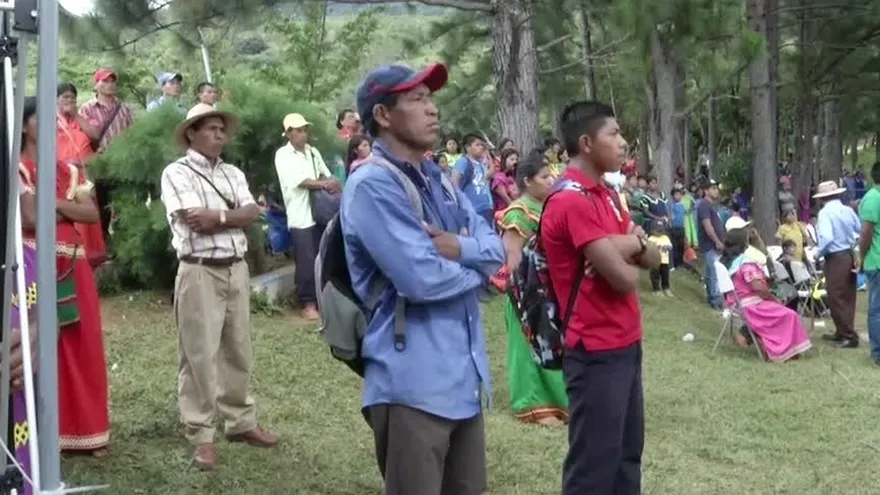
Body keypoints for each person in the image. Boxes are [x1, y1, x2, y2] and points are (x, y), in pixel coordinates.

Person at [342, 62, 504, 495]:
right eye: (417, 99)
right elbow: (422, 279)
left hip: (463, 379)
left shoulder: (439, 180)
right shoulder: (373, 186)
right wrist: (484, 269)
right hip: (412, 383)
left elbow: (494, 247)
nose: (432, 110)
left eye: (431, 99)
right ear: (383, 115)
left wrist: (461, 248)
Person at [541, 101, 661, 495]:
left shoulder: (607, 194)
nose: (624, 143)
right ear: (587, 143)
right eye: (615, 134)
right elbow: (626, 278)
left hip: (626, 341)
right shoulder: (570, 200)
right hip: (594, 349)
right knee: (594, 467)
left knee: (627, 459)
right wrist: (633, 245)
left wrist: (620, 244)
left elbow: (655, 257)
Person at [160, 104, 278, 470]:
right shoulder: (176, 173)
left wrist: (221, 217)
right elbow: (194, 221)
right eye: (210, 128)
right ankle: (201, 434)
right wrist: (234, 217)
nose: (219, 135)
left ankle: (240, 421)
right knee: (198, 353)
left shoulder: (232, 173)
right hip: (199, 270)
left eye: (222, 130)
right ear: (191, 134)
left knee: (238, 347)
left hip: (235, 269)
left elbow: (250, 215)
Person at [18, 97, 110, 457]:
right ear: (25, 125)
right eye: (43, 118)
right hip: (32, 265)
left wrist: (52, 204)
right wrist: (64, 209)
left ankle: (88, 432)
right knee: (42, 345)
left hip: (73, 264)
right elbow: (27, 217)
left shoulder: (70, 171)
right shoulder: (17, 168)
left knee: (82, 344)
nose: (54, 124)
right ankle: (47, 433)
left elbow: (90, 214)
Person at [497, 154, 566, 426]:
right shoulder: (519, 212)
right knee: (528, 347)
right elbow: (513, 257)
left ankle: (560, 402)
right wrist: (523, 294)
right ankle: (533, 404)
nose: (551, 180)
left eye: (552, 175)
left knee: (554, 344)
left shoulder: (551, 206)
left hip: (553, 289)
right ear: (527, 181)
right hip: (527, 291)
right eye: (544, 177)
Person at [273, 112, 341, 320]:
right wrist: (324, 183)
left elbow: (324, 172)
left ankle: (323, 299)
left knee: (323, 255)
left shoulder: (313, 152)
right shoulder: (283, 155)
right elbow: (300, 181)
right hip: (300, 215)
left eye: (304, 130)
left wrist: (331, 181)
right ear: (289, 134)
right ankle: (307, 302)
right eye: (298, 131)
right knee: (306, 259)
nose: (303, 134)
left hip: (319, 212)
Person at [721, 229, 813, 361]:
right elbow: (758, 287)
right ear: (745, 244)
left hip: (737, 303)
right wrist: (774, 299)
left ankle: (765, 342)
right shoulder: (745, 263)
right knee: (790, 314)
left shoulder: (727, 261)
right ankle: (783, 350)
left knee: (782, 310)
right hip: (751, 306)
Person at [78, 68, 135, 241]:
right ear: (96, 85)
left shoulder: (124, 109)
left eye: (112, 81)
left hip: (121, 164)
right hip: (100, 164)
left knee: (123, 204)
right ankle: (104, 243)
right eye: (105, 81)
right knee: (102, 205)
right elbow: (81, 137)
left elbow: (132, 133)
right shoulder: (86, 109)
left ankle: (122, 243)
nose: (109, 85)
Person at [56, 82, 107, 267]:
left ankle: (92, 258)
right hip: (65, 176)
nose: (69, 101)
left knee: (90, 215)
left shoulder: (81, 119)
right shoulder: (50, 121)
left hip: (85, 175)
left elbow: (95, 136)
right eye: (65, 97)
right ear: (56, 100)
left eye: (72, 97)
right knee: (74, 216)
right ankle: (74, 258)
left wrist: (76, 115)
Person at [814, 180, 861, 348]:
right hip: (848, 255)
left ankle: (848, 335)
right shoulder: (848, 210)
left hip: (835, 257)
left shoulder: (825, 213)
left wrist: (817, 253)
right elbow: (858, 230)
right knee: (848, 295)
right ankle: (842, 331)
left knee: (836, 297)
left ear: (822, 198)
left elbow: (827, 238)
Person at [858, 161, 880, 364]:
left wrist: (861, 256)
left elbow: (866, 232)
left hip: (877, 260)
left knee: (876, 310)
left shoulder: (872, 198)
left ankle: (878, 354)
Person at [452, 133, 495, 226]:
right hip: (472, 209)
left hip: (485, 208)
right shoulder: (463, 162)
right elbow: (454, 183)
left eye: (482, 145)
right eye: (477, 145)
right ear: (468, 147)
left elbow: (489, 176)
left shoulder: (480, 165)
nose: (481, 147)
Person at [697, 178, 727, 309]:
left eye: (716, 188)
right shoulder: (704, 205)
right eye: (713, 188)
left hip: (717, 245)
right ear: (705, 191)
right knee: (712, 273)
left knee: (716, 273)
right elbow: (707, 225)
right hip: (710, 245)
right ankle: (714, 300)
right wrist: (717, 241)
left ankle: (717, 299)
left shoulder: (713, 206)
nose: (716, 191)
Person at [647, 220, 673, 296]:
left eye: (661, 230)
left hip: (664, 261)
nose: (660, 232)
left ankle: (666, 288)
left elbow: (670, 246)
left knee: (665, 275)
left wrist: (667, 247)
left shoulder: (665, 238)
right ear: (652, 230)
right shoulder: (651, 238)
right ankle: (656, 289)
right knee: (655, 275)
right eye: (658, 230)